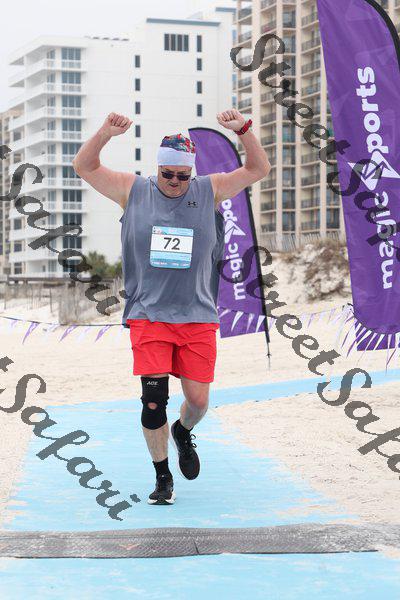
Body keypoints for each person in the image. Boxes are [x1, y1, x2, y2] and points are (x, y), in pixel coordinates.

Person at [72, 109, 270, 505]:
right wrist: (105, 133)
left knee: (198, 402)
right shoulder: (133, 190)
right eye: (169, 175)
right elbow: (84, 166)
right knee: (153, 402)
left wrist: (244, 130)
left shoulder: (209, 189)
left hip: (197, 315)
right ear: (158, 169)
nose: (176, 182)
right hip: (149, 314)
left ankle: (183, 431)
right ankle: (163, 476)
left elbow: (258, 168)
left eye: (183, 175)